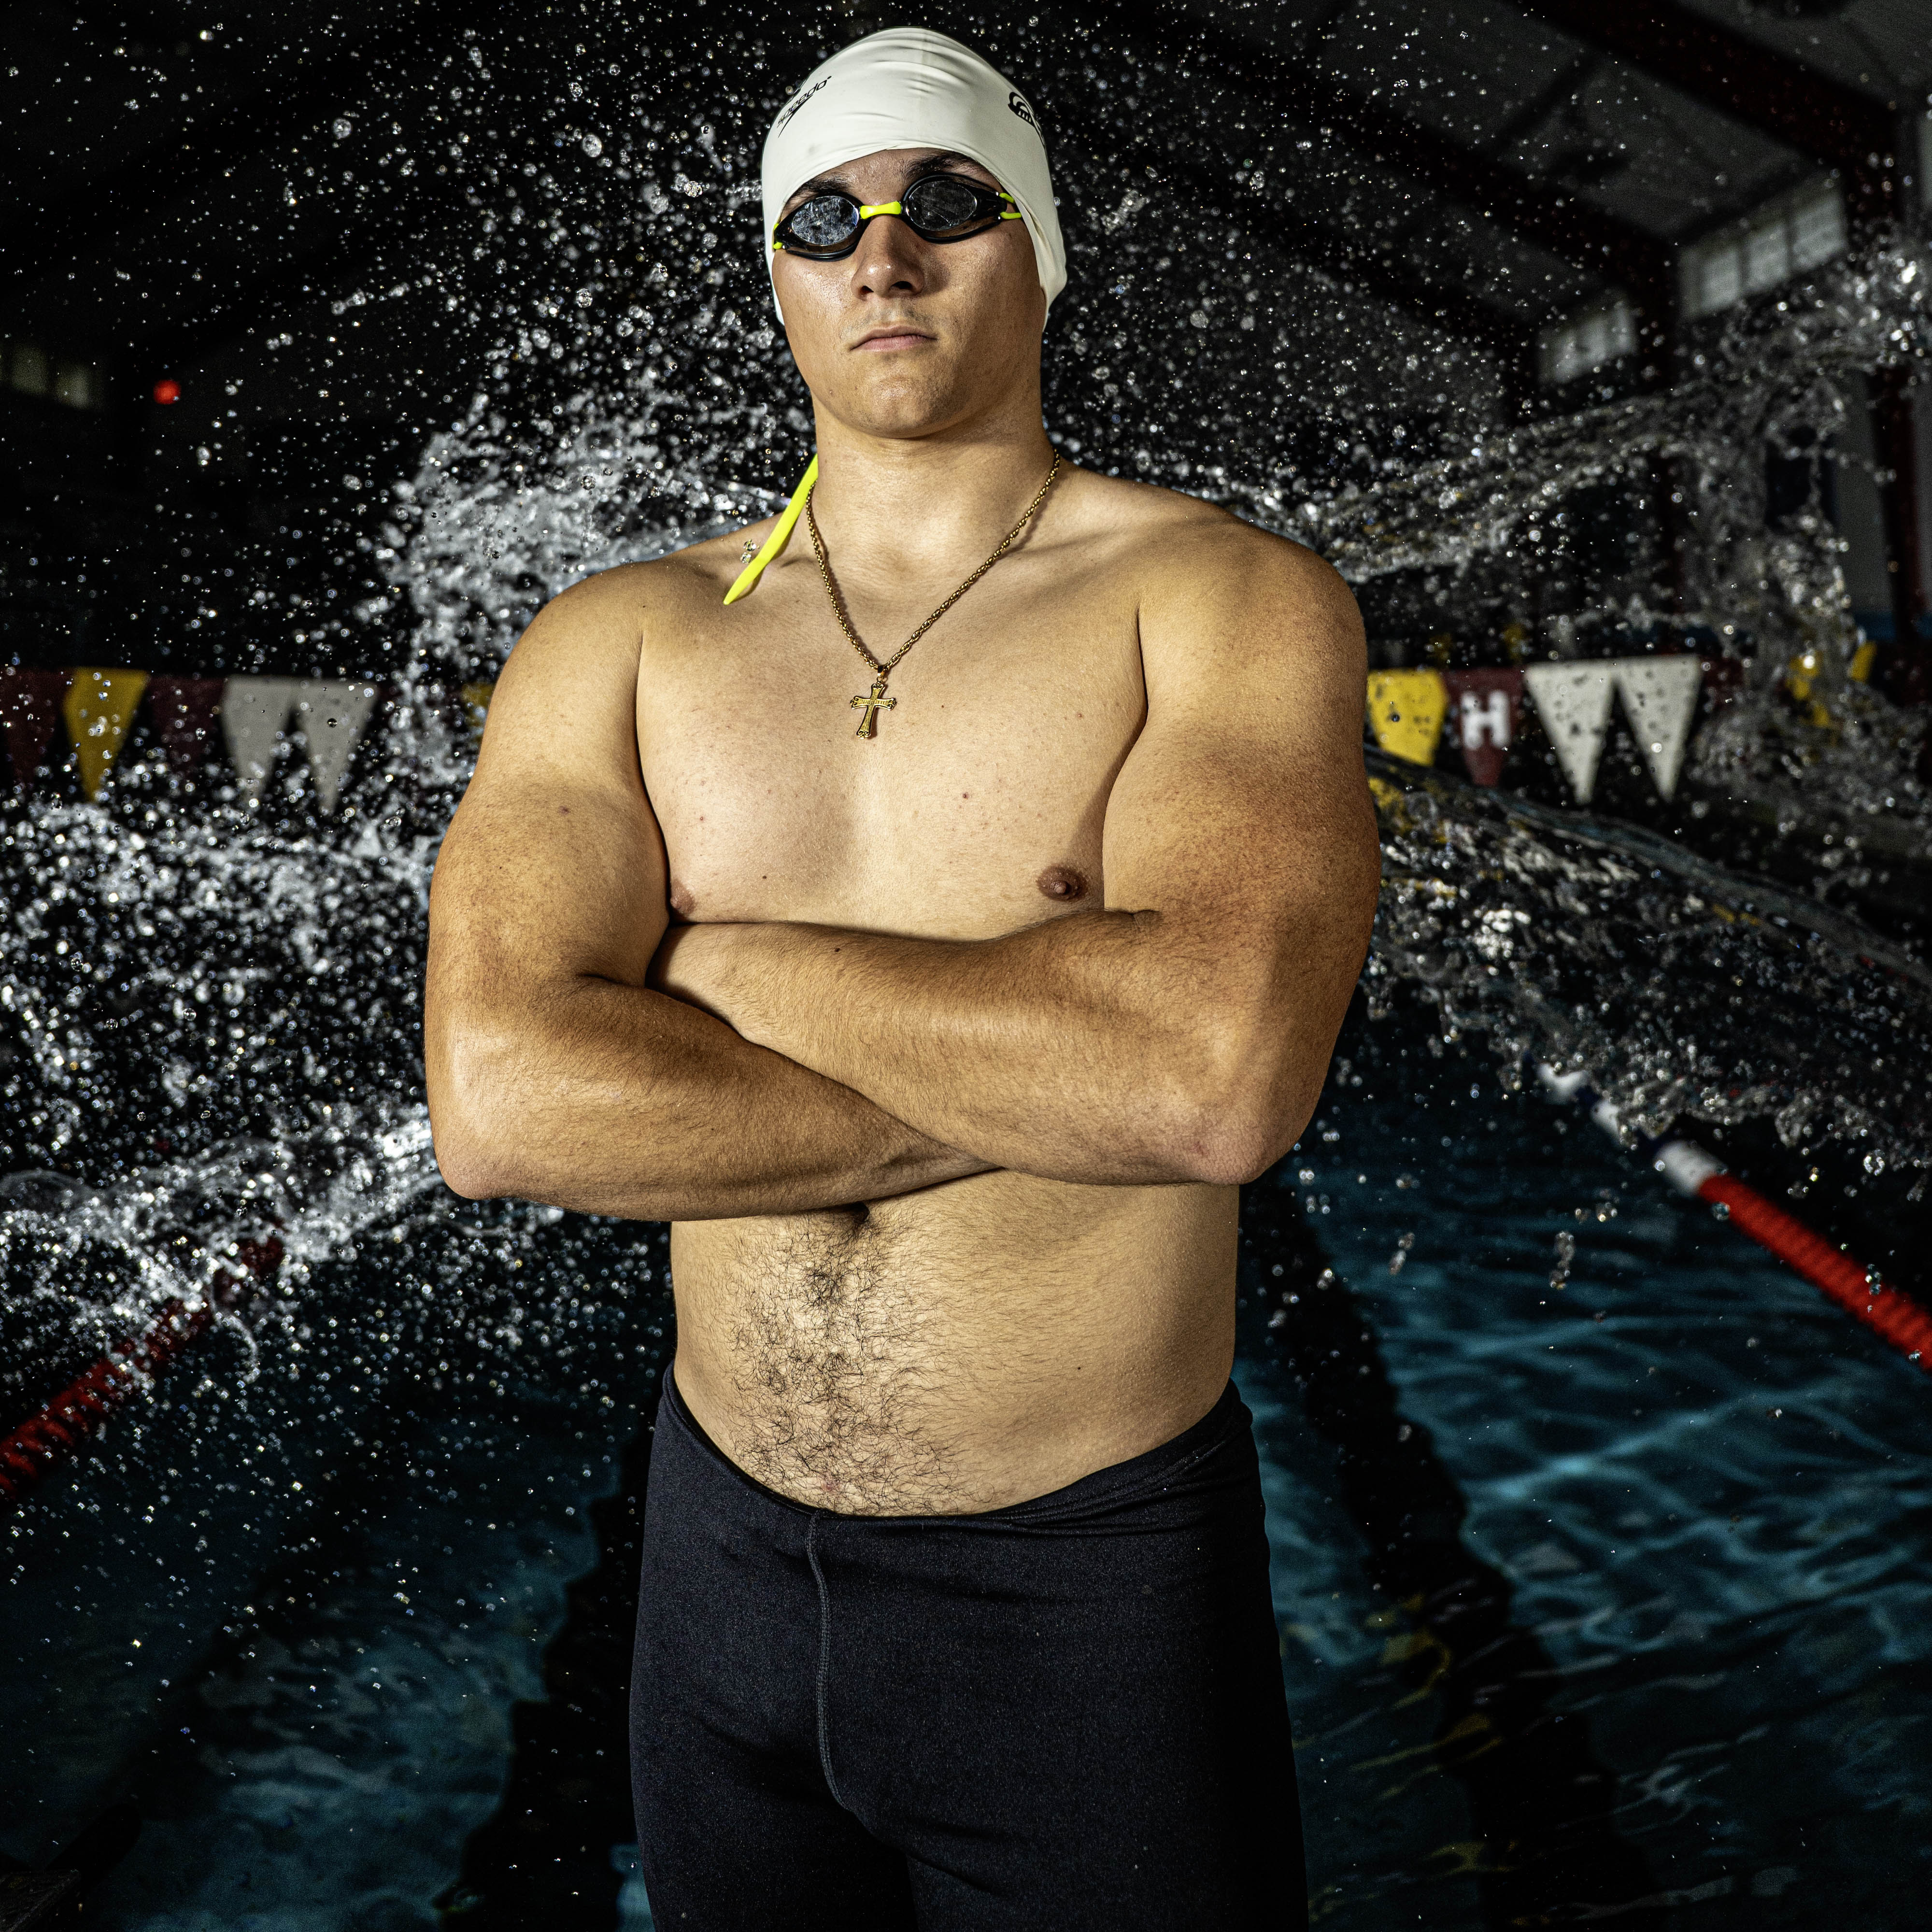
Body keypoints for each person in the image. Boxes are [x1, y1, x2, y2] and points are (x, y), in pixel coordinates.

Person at [424, 27, 1378, 1931]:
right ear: (772, 271)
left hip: (1086, 1593)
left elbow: (1208, 1079)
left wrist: (720, 962)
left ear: (1039, 250)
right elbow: (501, 1100)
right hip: (711, 1579)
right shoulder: (614, 641)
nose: (884, 256)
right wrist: (1038, 1062)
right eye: (825, 217)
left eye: (949, 203)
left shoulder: (1215, 599)